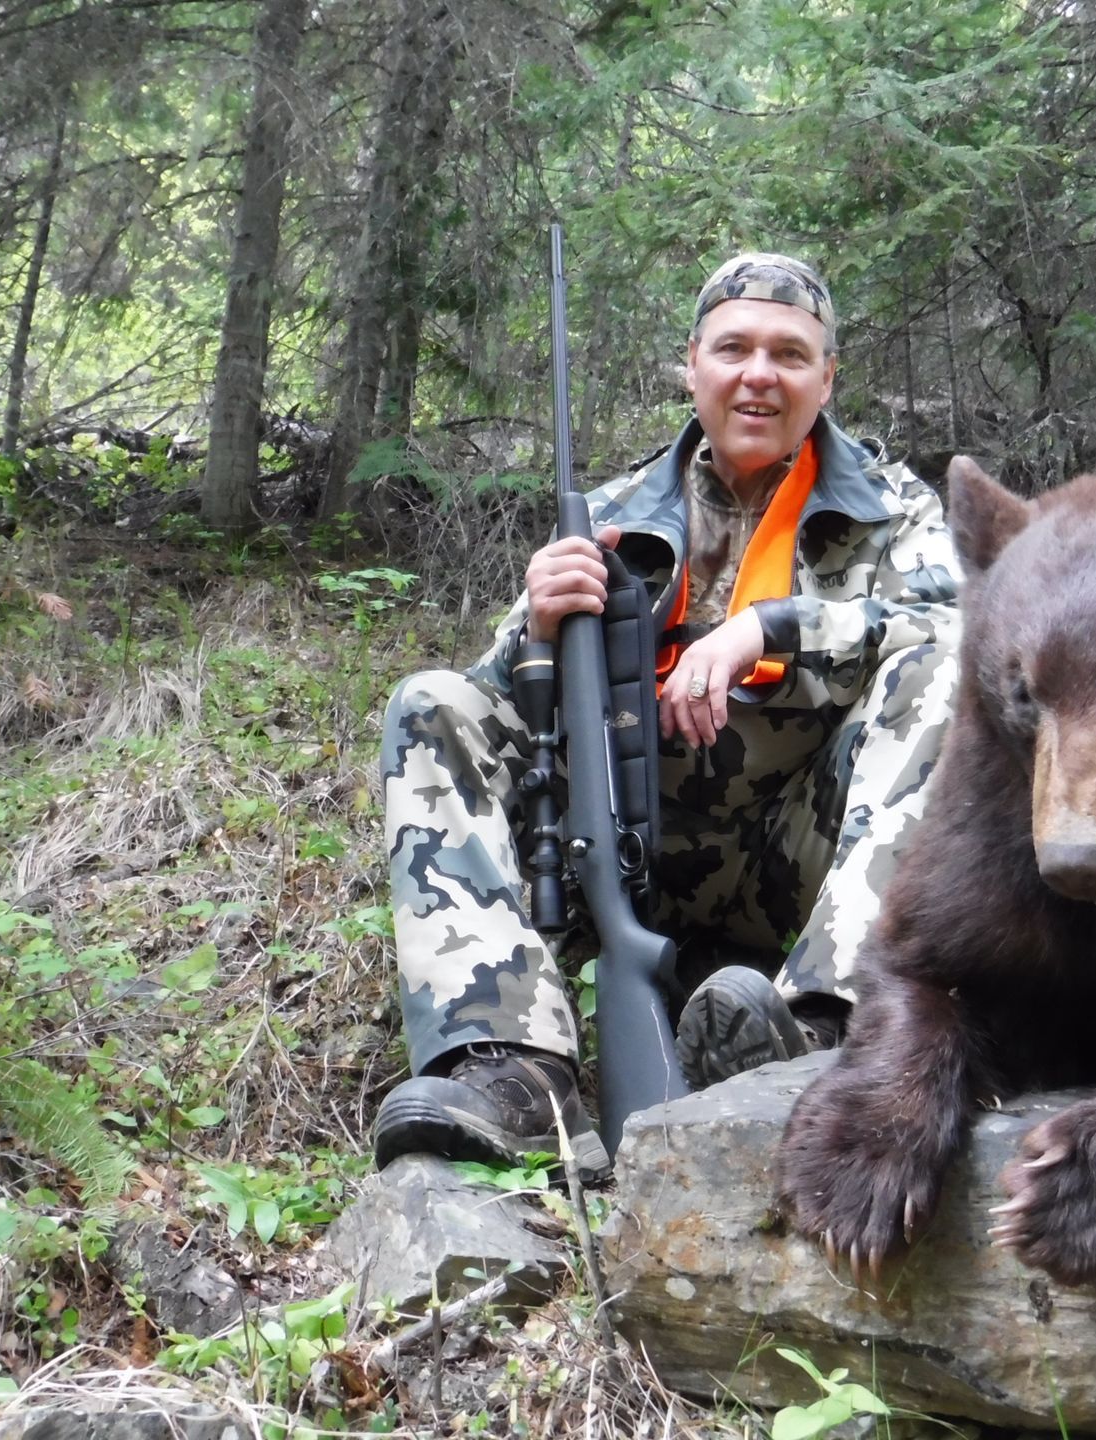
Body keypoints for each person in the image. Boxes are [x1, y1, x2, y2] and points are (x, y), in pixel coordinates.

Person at [370, 253, 960, 1177]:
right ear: (693, 365)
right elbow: (496, 717)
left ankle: (829, 1030)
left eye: (789, 354)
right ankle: (511, 1066)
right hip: (635, 849)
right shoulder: (608, 517)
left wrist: (771, 630)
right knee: (431, 702)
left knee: (949, 666)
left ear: (826, 377)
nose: (759, 374)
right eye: (734, 349)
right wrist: (534, 624)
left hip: (801, 853)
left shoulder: (895, 513)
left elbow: (958, 627)